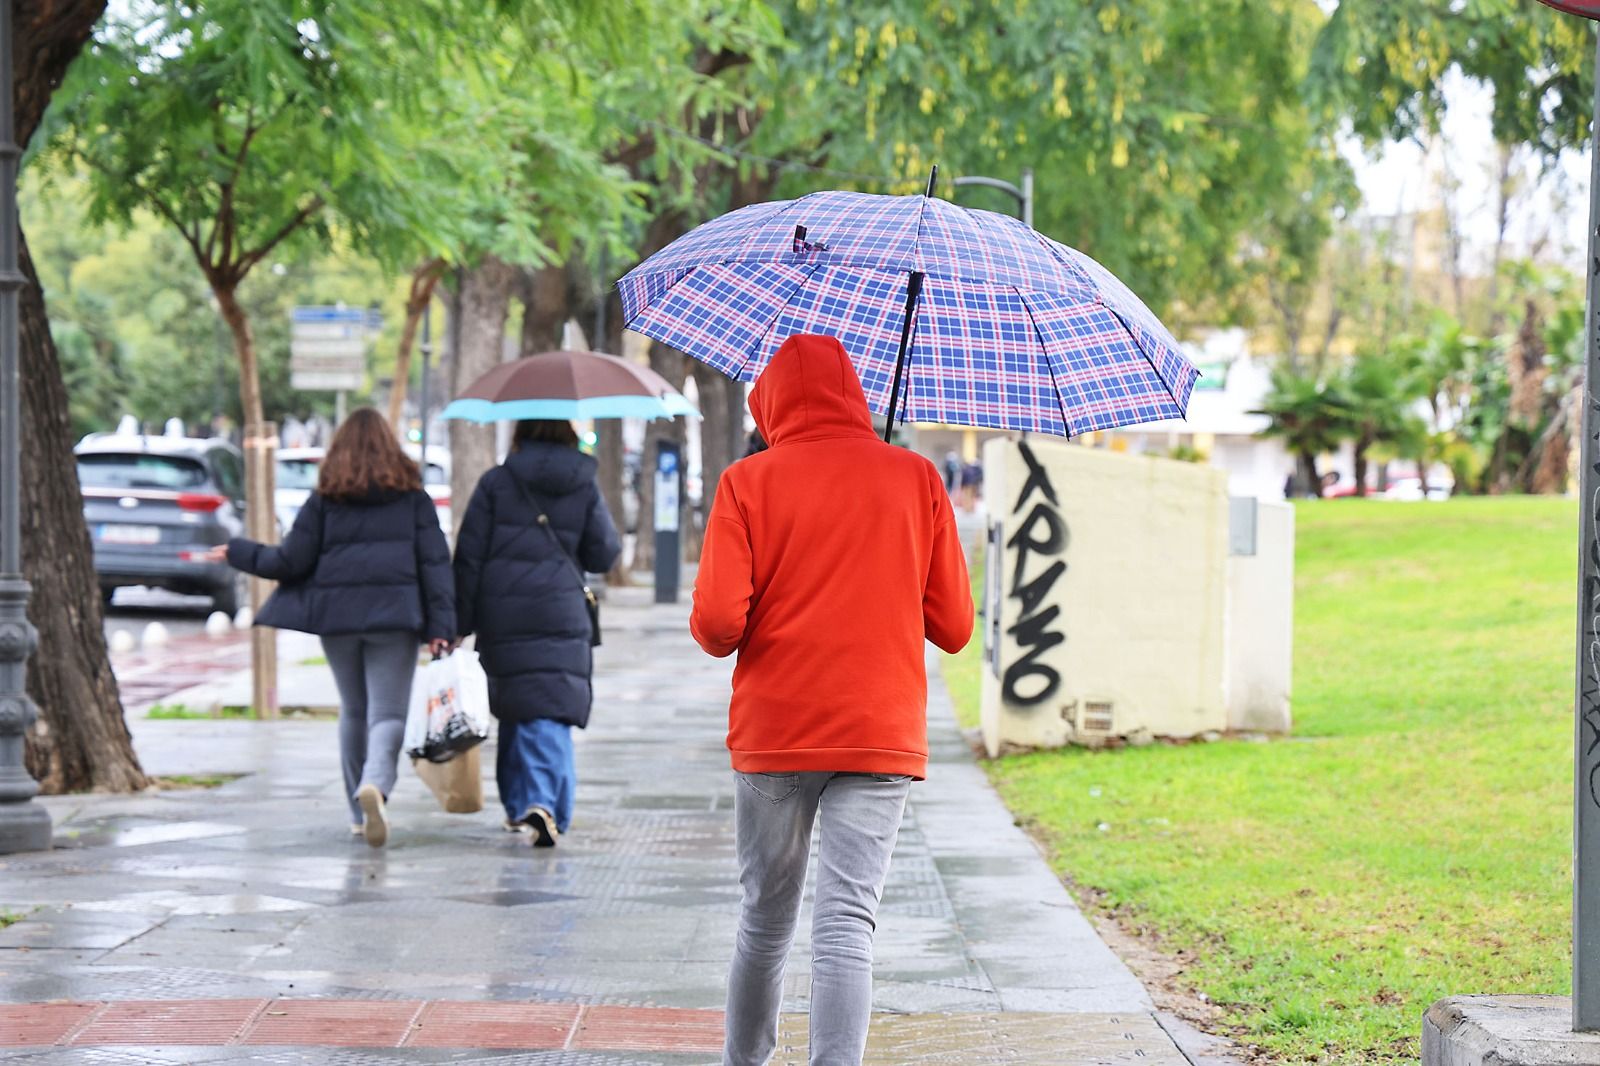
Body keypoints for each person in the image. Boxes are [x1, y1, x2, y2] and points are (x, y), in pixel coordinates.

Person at [691, 334, 974, 1066]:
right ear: (855, 394)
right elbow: (953, 626)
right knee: (848, 922)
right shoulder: (915, 478)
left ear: (772, 402)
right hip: (878, 731)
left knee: (764, 918)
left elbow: (719, 627)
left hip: (776, 732)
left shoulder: (746, 483)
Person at [209, 407, 454, 847]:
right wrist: (444, 626)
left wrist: (238, 552)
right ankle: (375, 784)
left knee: (354, 712)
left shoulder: (324, 499)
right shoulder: (412, 498)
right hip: (394, 618)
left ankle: (356, 813)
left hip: (337, 619)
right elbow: (435, 566)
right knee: (389, 714)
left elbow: (289, 561)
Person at [453, 419, 620, 847]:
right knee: (548, 708)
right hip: (562, 611)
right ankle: (540, 806)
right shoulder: (584, 482)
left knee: (519, 706)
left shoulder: (496, 482)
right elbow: (603, 552)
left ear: (519, 436)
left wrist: (457, 623)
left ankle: (533, 803)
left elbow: (469, 557)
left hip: (503, 611)